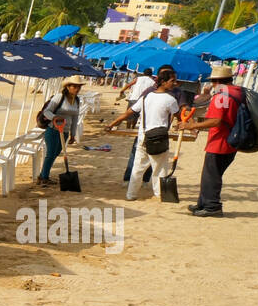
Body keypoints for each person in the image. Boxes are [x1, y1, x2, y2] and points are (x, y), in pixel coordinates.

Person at [104, 68, 179, 201]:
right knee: (159, 169)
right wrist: (191, 128)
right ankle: (160, 194)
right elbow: (178, 115)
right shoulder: (170, 100)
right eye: (172, 81)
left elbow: (129, 112)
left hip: (143, 136)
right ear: (163, 82)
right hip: (159, 138)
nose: (175, 83)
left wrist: (113, 123)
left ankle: (131, 194)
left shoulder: (146, 97)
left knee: (138, 168)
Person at [180, 63, 242, 217]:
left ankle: (212, 207)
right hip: (232, 140)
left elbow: (216, 121)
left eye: (213, 81)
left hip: (220, 141)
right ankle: (203, 203)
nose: (212, 84)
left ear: (218, 81)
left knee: (211, 175)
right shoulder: (237, 92)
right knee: (212, 174)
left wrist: (191, 125)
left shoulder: (221, 96)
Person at [36, 76, 83, 187]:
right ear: (67, 87)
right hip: (53, 129)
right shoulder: (59, 97)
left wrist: (73, 133)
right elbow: (46, 111)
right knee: (50, 154)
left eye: (79, 87)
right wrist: (55, 117)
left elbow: (75, 117)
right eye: (74, 86)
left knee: (56, 154)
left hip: (65, 132)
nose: (77, 89)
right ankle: (44, 177)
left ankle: (42, 175)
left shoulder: (76, 100)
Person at [119, 67, 159, 182]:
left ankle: (128, 131)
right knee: (137, 118)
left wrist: (122, 90)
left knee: (129, 115)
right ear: (151, 74)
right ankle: (132, 129)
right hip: (142, 99)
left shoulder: (139, 78)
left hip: (133, 98)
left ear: (143, 73)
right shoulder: (152, 82)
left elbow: (129, 84)